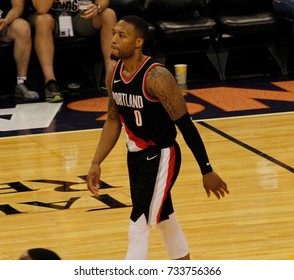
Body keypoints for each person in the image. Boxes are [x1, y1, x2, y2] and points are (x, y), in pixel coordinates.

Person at [86, 15, 229, 260]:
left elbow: (186, 126)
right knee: (163, 218)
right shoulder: (114, 74)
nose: (114, 40)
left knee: (139, 223)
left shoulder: (157, 77)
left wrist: (206, 169)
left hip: (162, 155)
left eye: (122, 35)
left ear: (138, 42)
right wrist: (96, 162)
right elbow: (112, 120)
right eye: (114, 34)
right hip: (136, 157)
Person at [27, 0, 117, 103]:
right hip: (52, 18)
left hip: (80, 15)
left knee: (108, 14)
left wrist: (98, 7)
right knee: (42, 20)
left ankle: (111, 76)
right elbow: (41, 9)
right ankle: (50, 82)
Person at [0, 0, 39, 102]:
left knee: (22, 27)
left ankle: (21, 83)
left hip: (4, 24)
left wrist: (5, 21)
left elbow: (18, 7)